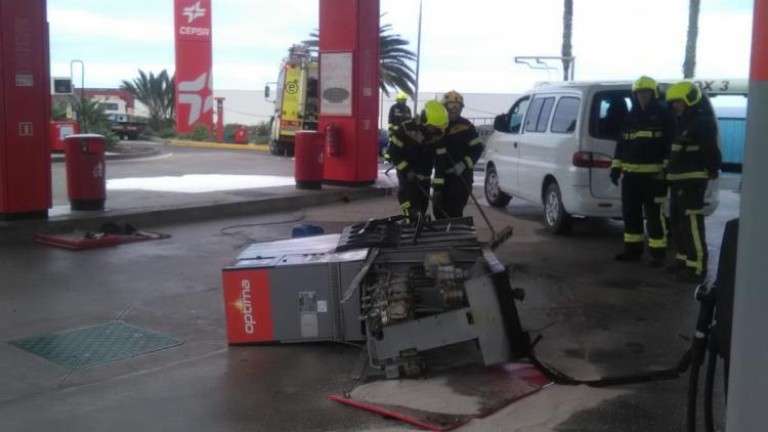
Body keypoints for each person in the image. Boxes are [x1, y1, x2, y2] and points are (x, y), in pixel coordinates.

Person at [610, 76, 675, 266]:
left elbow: (671, 144)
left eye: (646, 93)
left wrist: (665, 170)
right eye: (639, 93)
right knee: (630, 215)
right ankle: (632, 251)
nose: (642, 96)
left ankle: (658, 254)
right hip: (630, 177)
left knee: (655, 216)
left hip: (654, 177)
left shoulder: (664, 115)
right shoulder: (630, 117)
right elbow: (621, 145)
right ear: (635, 94)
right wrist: (615, 169)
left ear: (653, 93)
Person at [665, 81, 722, 283]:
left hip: (692, 181)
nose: (675, 106)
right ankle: (683, 261)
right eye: (673, 103)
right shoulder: (683, 121)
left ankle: (697, 267)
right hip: (679, 180)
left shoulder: (702, 122)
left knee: (692, 225)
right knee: (678, 223)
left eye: (678, 102)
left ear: (689, 99)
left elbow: (711, 151)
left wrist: (713, 170)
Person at [386, 100, 449, 221]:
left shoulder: (438, 135)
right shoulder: (405, 130)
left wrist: (438, 189)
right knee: (411, 211)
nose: (437, 132)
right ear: (425, 120)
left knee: (422, 210)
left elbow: (441, 162)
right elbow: (393, 153)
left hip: (425, 179)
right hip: (407, 179)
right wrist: (407, 170)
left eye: (440, 128)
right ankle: (408, 224)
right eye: (434, 128)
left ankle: (416, 231)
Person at [432, 91, 484, 218]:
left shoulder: (466, 127)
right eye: (450, 106)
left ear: (461, 109)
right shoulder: (437, 127)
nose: (454, 110)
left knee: (454, 211)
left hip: (461, 178)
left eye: (457, 107)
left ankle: (455, 235)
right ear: (444, 108)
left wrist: (464, 164)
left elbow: (478, 149)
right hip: (441, 178)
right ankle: (442, 235)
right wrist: (437, 186)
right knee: (438, 211)